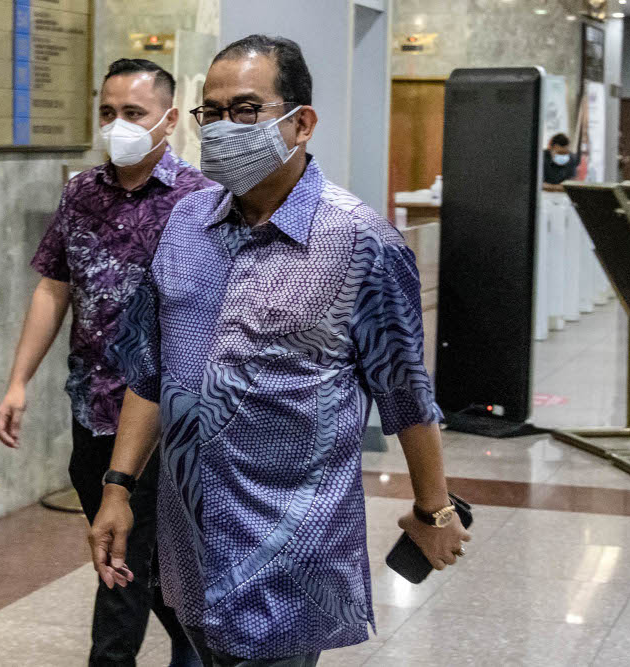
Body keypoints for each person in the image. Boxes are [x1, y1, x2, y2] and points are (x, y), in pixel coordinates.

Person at [89, 35, 470, 666]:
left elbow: (406, 396)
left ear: (301, 124)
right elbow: (150, 371)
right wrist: (118, 486)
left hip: (289, 553)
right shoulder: (184, 226)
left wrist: (433, 510)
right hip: (190, 543)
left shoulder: (359, 243)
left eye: (246, 110)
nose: (221, 129)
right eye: (212, 113)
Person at [0, 58, 211, 667]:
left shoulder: (201, 202)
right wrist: (18, 382)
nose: (118, 125)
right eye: (108, 113)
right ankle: (199, 649)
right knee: (149, 562)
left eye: (134, 114)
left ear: (168, 121)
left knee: (118, 558)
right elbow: (53, 288)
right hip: (94, 411)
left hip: (166, 422)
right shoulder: (81, 193)